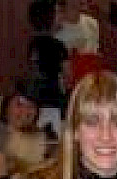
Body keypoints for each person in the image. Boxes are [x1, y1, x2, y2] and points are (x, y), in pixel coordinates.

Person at [0, 82, 43, 179]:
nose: (25, 111)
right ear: (6, 107)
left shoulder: (39, 136)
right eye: (19, 104)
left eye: (31, 106)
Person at [27, 0, 70, 138]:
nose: (62, 16)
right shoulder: (58, 46)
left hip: (35, 97)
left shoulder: (33, 44)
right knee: (55, 136)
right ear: (49, 17)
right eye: (58, 13)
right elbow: (68, 76)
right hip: (54, 98)